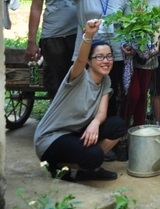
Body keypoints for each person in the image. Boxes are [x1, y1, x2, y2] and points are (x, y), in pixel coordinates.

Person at [34, 19, 127, 182]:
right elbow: (79, 60)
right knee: (94, 155)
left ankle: (89, 169)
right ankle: (57, 166)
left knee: (118, 126)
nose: (106, 61)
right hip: (51, 138)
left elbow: (102, 113)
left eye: (109, 56)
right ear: (89, 62)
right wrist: (89, 35)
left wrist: (95, 123)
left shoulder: (105, 81)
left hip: (76, 133)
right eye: (99, 57)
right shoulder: (78, 76)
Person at [53, 0, 129, 117]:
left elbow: (125, 28)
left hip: (114, 57)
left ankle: (107, 139)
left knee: (111, 98)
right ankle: (82, 138)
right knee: (83, 99)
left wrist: (128, 44)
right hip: (86, 56)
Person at [120, 0, 160, 128]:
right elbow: (122, 24)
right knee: (132, 93)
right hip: (128, 54)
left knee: (143, 93)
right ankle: (121, 130)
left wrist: (156, 47)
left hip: (149, 55)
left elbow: (158, 27)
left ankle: (137, 130)